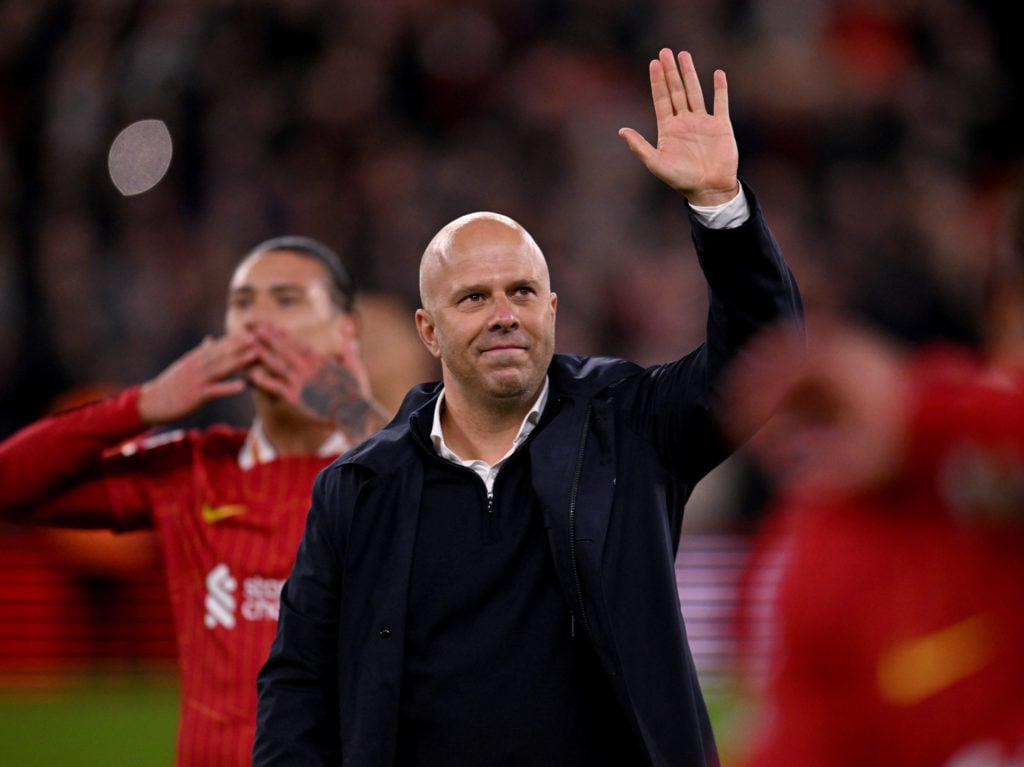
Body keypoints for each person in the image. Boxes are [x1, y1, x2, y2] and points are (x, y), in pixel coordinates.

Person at [253, 48, 803, 766]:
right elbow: (299, 681)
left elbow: (766, 355)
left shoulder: (630, 426)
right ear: (430, 329)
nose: (503, 314)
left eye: (520, 292)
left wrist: (720, 207)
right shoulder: (359, 488)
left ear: (552, 308)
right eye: (474, 298)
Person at [0, 235, 390, 767]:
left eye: (287, 300)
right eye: (242, 304)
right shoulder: (190, 471)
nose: (259, 320)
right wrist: (140, 405)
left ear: (345, 330)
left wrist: (360, 419)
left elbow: (473, 540)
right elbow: (10, 485)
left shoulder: (383, 479)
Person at [720, 318, 1024, 766]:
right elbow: (795, 738)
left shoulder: (964, 450)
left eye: (830, 411)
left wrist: (918, 411)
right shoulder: (800, 567)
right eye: (799, 427)